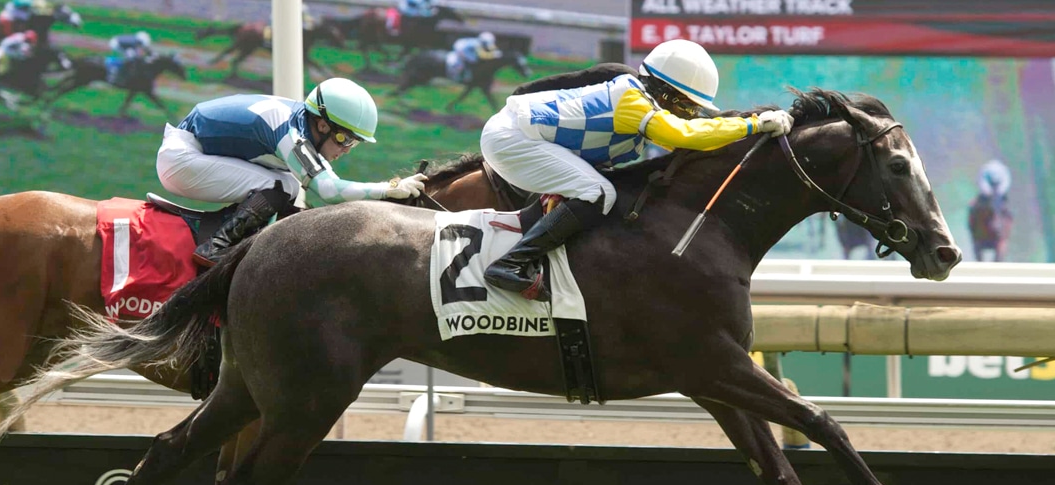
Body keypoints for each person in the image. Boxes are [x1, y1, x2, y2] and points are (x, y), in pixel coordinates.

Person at [478, 39, 794, 300]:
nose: (691, 114)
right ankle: (510, 264)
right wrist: (754, 124)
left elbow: (696, 134)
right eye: (687, 105)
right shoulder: (632, 102)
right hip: (512, 140)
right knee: (599, 192)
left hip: (522, 136)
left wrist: (745, 126)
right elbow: (685, 135)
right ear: (665, 93)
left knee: (597, 189)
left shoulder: (639, 100)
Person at [156, 77, 429, 267]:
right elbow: (329, 190)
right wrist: (389, 188)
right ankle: (216, 246)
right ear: (323, 125)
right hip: (181, 159)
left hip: (193, 151)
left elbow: (326, 188)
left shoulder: (302, 124)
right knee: (281, 185)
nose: (346, 150)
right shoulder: (292, 135)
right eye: (345, 139)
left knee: (289, 184)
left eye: (354, 143)